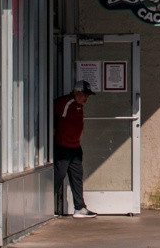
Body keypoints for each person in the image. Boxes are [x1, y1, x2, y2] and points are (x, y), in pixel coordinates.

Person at [54, 81, 97, 218]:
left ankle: (80, 207)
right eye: (84, 95)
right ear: (76, 92)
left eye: (87, 96)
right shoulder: (65, 103)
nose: (86, 99)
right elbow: (53, 117)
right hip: (63, 147)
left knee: (77, 177)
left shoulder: (79, 106)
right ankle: (44, 205)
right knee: (58, 175)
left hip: (75, 147)